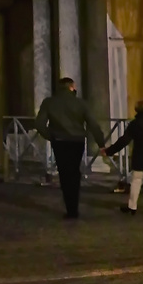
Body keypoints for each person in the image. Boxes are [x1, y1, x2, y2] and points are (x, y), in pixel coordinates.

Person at [35, 77, 105, 219]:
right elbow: (93, 124)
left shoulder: (49, 102)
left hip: (59, 141)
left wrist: (51, 136)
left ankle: (70, 207)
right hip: (76, 140)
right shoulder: (80, 103)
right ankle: (74, 206)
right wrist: (101, 143)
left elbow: (40, 124)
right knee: (74, 171)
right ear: (72, 87)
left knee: (64, 173)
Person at [102, 99, 143, 217]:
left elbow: (124, 140)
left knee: (136, 181)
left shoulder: (135, 124)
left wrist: (109, 151)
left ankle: (132, 206)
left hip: (141, 155)